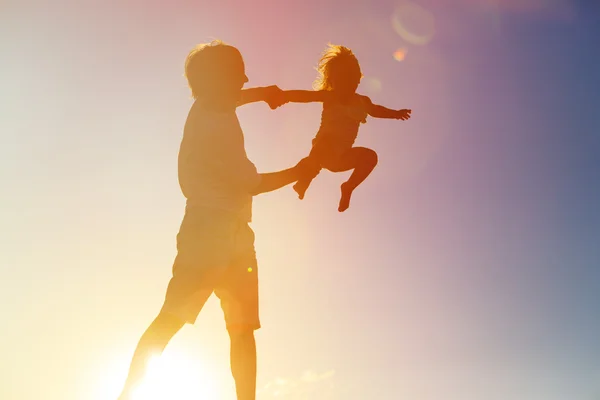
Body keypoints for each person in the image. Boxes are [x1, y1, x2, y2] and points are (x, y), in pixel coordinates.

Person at [116, 40, 316, 400]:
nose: (245, 76)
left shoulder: (211, 105)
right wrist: (301, 170)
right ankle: (128, 395)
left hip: (237, 234)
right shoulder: (214, 127)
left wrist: (263, 93)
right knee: (174, 318)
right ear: (218, 77)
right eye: (239, 70)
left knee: (240, 330)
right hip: (208, 228)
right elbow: (253, 183)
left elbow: (234, 98)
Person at [280, 44, 412, 212]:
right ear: (332, 80)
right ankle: (306, 178)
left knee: (370, 157)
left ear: (358, 79)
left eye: (350, 79)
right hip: (322, 151)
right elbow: (305, 96)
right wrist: (284, 95)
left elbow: (376, 110)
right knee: (325, 143)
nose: (346, 84)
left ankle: (348, 187)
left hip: (343, 157)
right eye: (340, 79)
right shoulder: (329, 96)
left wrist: (395, 113)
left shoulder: (363, 101)